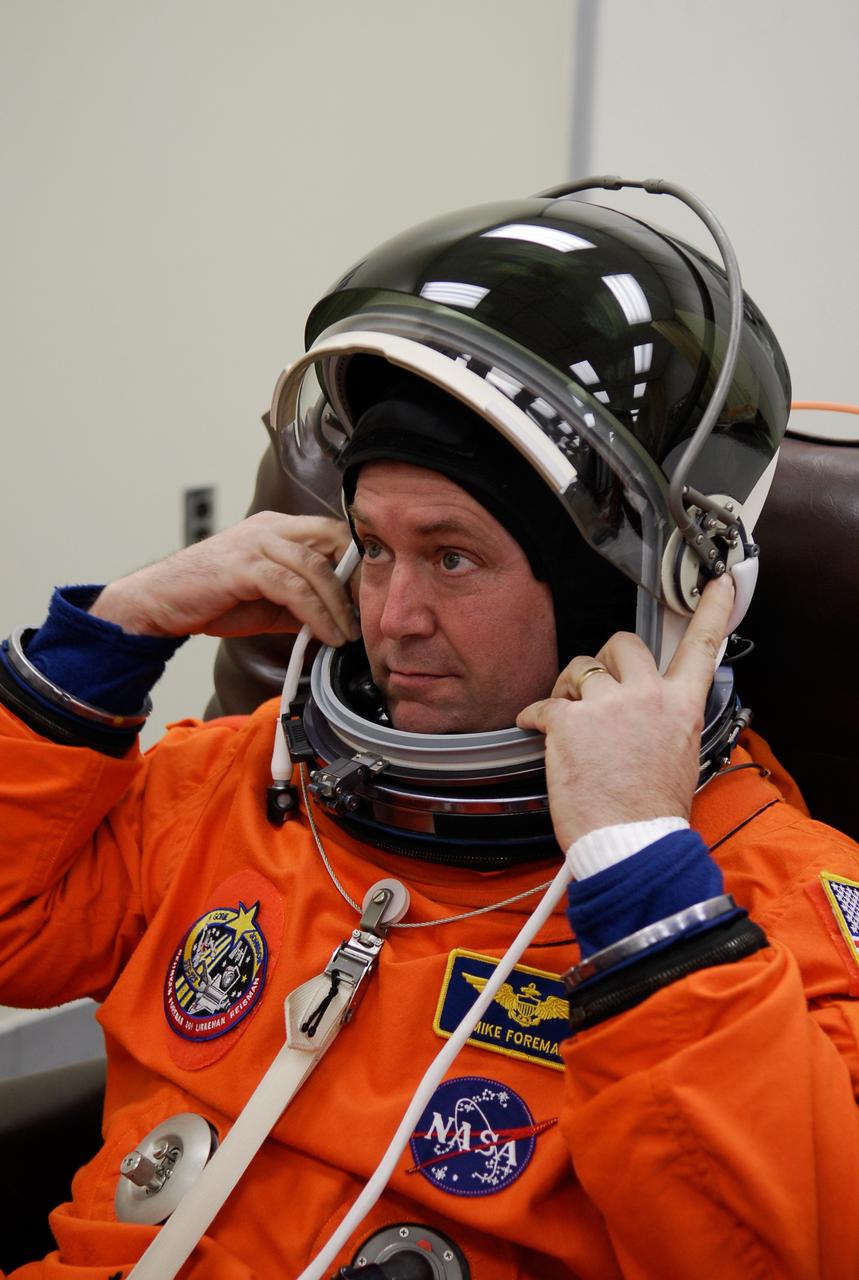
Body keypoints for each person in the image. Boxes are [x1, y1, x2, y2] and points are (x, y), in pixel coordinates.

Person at [1, 183, 858, 1280]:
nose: (389, 612)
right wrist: (115, 630)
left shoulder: (768, 903)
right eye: (374, 544)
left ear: (613, 595)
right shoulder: (244, 781)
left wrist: (638, 869)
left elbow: (781, 1254)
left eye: (452, 556)